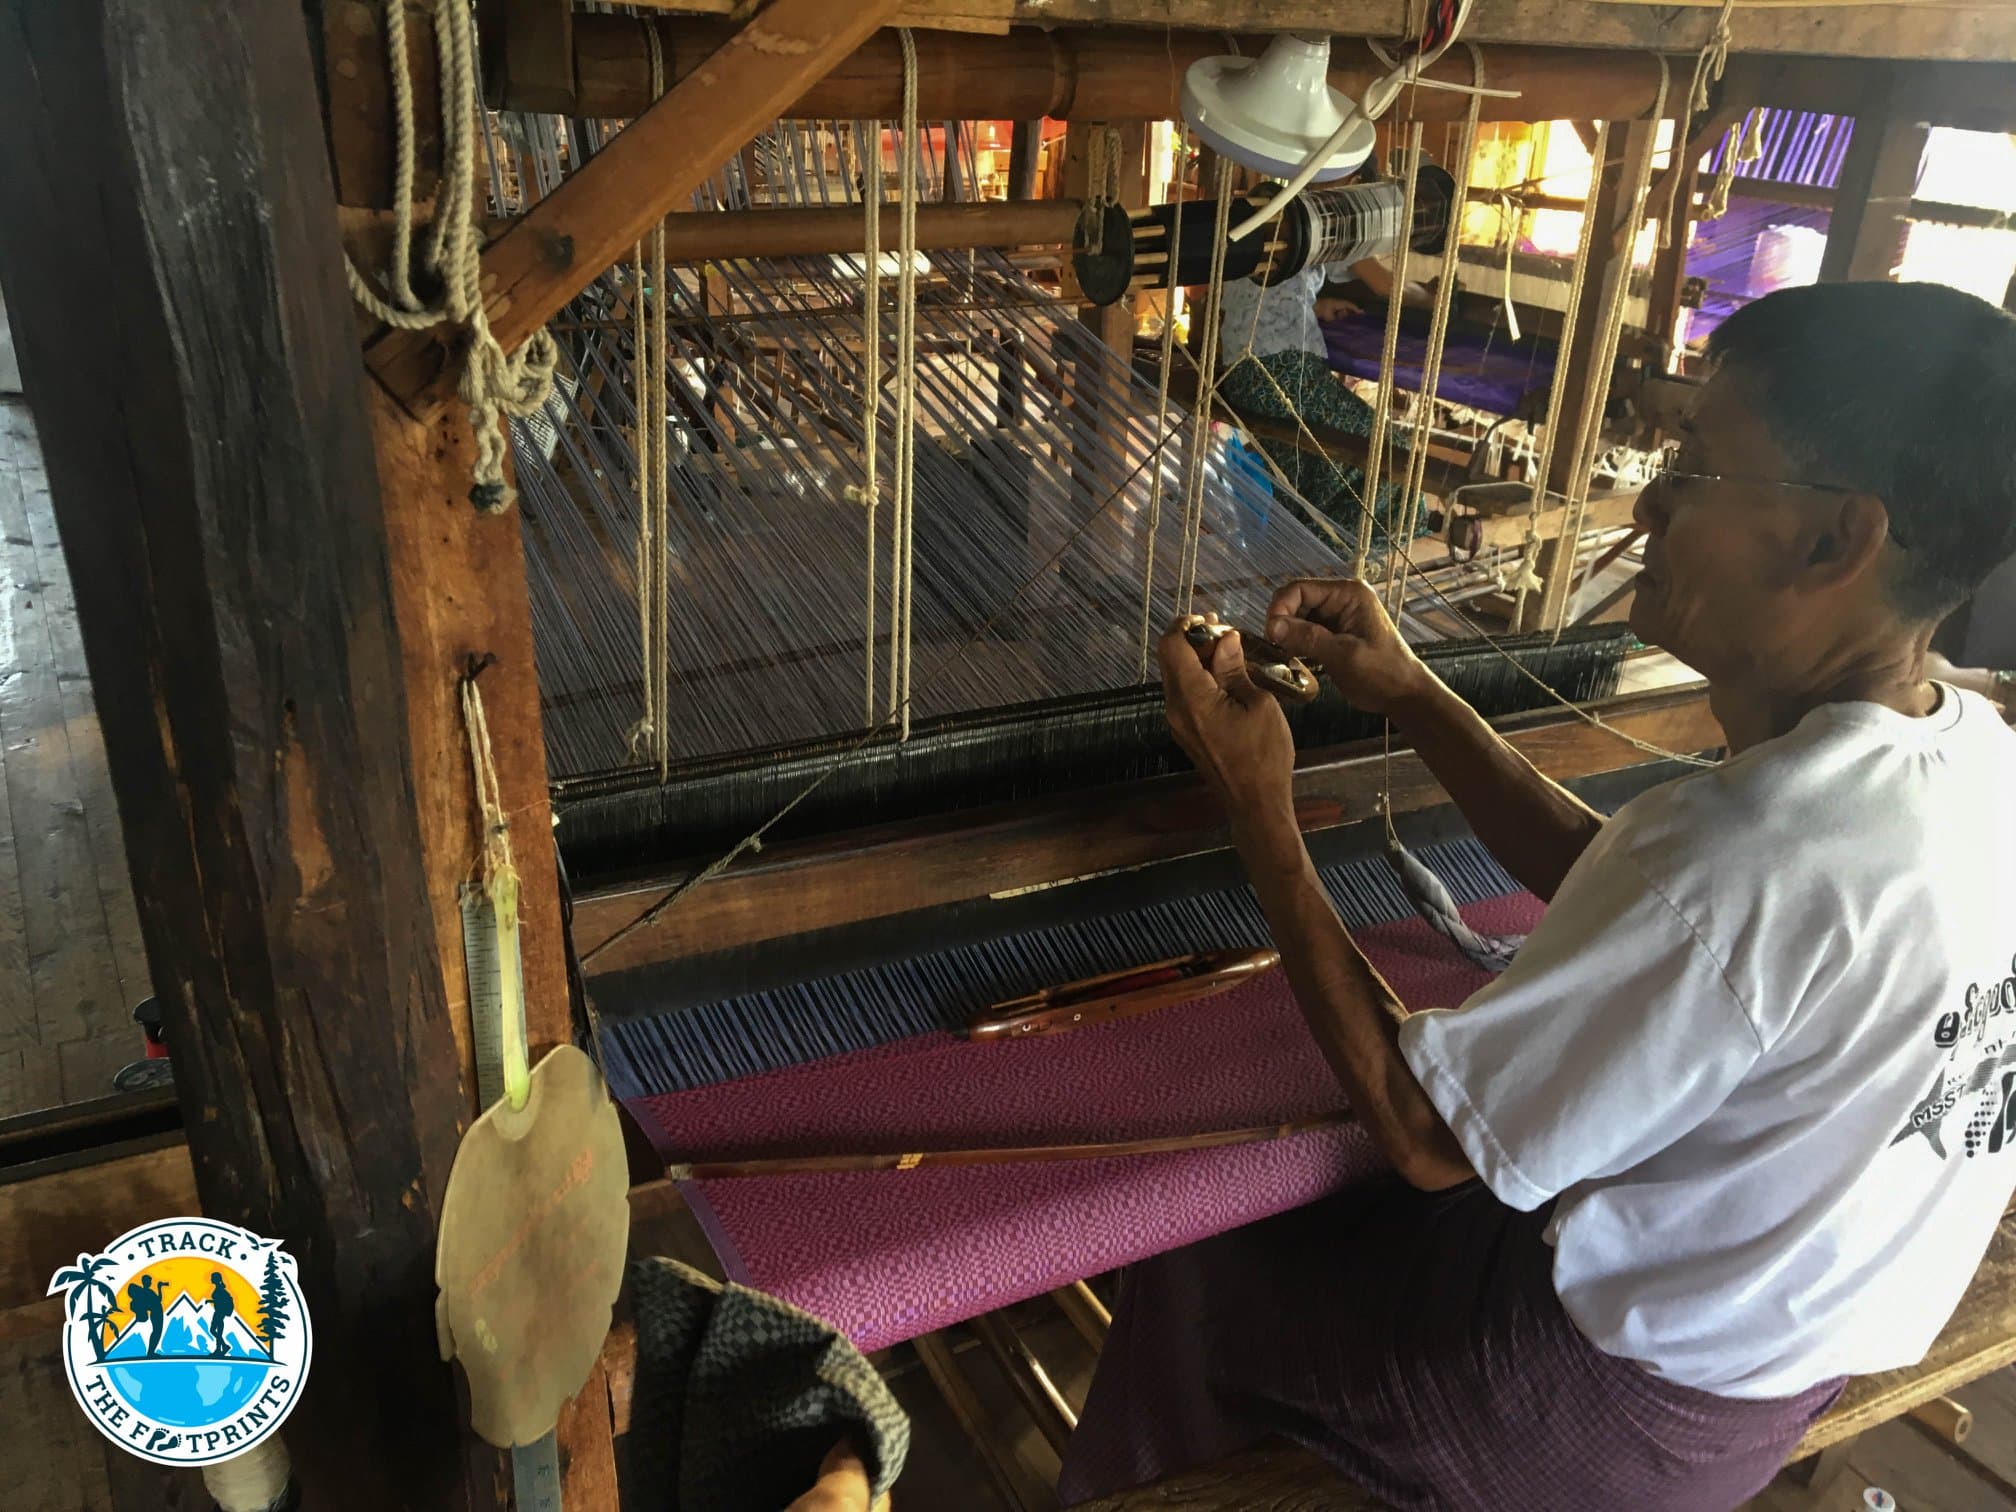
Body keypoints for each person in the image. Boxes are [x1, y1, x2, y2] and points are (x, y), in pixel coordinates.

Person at [1059, 280, 2016, 1511]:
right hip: (1773, 1378)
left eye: (1701, 469)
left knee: (1203, 1255)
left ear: (1839, 540)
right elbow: (1634, 899)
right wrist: (1413, 695)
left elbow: (1423, 1135)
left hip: (1597, 1422)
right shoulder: (1976, 757)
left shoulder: (1745, 848)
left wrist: (1262, 812)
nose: (1656, 498)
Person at [1212, 256, 1429, 556]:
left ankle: (1303, 554)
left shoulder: (1264, 220)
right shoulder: (1331, 219)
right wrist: (1441, 299)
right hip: (1281, 374)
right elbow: (1389, 286)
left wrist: (1314, 307)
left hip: (1249, 375)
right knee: (1396, 464)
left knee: (1305, 473)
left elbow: (1262, 292)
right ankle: (1308, 556)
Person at [127, 1275, 164, 1356]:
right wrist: (159, 1288)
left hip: (156, 1312)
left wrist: (159, 1288)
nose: (150, 1283)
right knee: (157, 1332)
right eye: (149, 1281)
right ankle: (150, 1353)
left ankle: (151, 1352)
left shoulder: (145, 1292)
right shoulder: (147, 1292)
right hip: (156, 1313)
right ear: (146, 1282)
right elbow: (158, 1300)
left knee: (156, 1332)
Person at [207, 1272, 235, 1356]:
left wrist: (212, 1301)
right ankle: (222, 1347)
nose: (211, 1279)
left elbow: (220, 1301)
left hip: (219, 1312)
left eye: (212, 1277)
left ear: (216, 1279)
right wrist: (211, 1301)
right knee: (217, 1332)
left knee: (213, 1330)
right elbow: (219, 1300)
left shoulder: (219, 1289)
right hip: (219, 1312)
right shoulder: (219, 1288)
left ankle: (220, 1349)